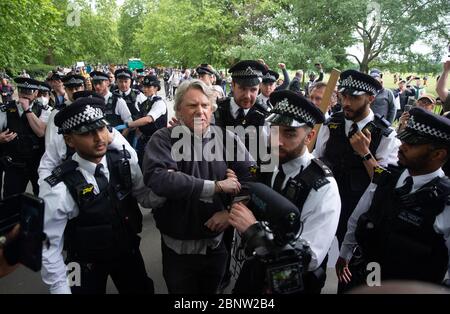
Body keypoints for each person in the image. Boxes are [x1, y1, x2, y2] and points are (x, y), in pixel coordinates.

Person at [40, 97, 165, 294]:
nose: (99, 138)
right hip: (82, 264)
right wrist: (60, 287)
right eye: (87, 133)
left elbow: (145, 197)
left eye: (101, 129)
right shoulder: (59, 188)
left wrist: (173, 185)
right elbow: (49, 245)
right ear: (69, 140)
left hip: (126, 252)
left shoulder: (124, 163)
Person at [142, 79, 254, 294]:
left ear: (212, 110)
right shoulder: (163, 139)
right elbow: (159, 179)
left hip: (216, 247)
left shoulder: (226, 139)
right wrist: (217, 186)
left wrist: (229, 212)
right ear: (178, 110)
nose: (199, 111)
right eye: (192, 105)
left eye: (205, 105)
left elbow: (252, 178)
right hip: (178, 249)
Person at [229, 90, 341, 294]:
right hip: (255, 269)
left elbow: (311, 257)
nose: (277, 140)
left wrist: (254, 232)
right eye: (274, 130)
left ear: (310, 136)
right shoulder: (269, 162)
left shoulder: (323, 187)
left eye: (289, 133)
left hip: (291, 283)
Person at [337, 107, 450, 289]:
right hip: (363, 279)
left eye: (412, 144)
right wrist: (344, 253)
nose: (402, 146)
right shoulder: (386, 178)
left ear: (438, 154)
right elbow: (357, 217)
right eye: (404, 139)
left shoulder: (444, 203)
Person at [313, 70, 400, 248]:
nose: (346, 103)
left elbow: (383, 182)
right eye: (343, 97)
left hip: (358, 210)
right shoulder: (331, 123)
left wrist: (365, 154)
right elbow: (317, 158)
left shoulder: (385, 135)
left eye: (354, 98)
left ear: (370, 99)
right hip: (325, 202)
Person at [0, 78, 51, 198]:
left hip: (37, 164)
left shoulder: (44, 110)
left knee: (41, 197)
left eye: (29, 92)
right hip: (14, 164)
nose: (24, 95)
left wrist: (27, 110)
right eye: (22, 90)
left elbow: (41, 132)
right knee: (11, 200)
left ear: (36, 93)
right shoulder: (5, 109)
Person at [126, 75, 167, 167]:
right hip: (144, 140)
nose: (145, 89)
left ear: (156, 88)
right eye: (144, 86)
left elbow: (148, 119)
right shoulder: (145, 103)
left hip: (157, 142)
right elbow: (138, 120)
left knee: (153, 167)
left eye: (148, 87)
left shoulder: (159, 103)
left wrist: (128, 125)